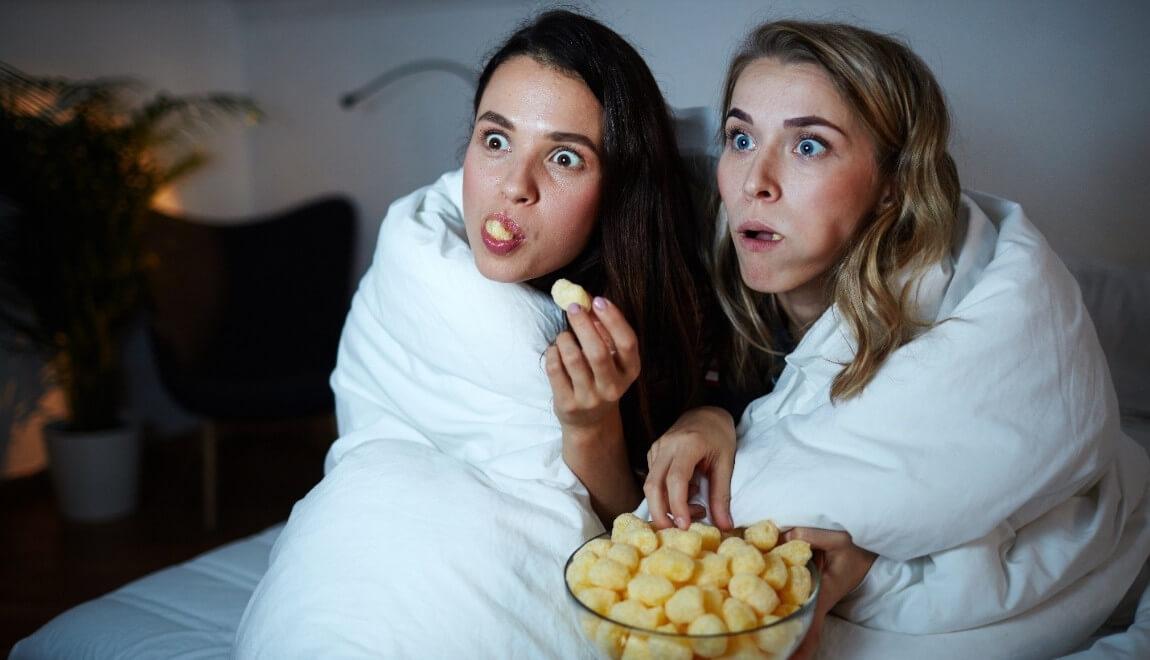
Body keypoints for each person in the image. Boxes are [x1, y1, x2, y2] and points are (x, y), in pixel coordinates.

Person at [641, 19, 1150, 659]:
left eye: (808, 147)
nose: (753, 182)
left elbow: (937, 486)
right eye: (741, 138)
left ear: (889, 186)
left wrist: (869, 561)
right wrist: (707, 414)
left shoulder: (939, 331)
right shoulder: (700, 281)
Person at [235, 10, 712, 658]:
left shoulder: (643, 313)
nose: (513, 186)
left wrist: (591, 425)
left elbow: (630, 538)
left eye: (564, 157)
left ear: (618, 187)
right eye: (495, 140)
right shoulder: (416, 257)